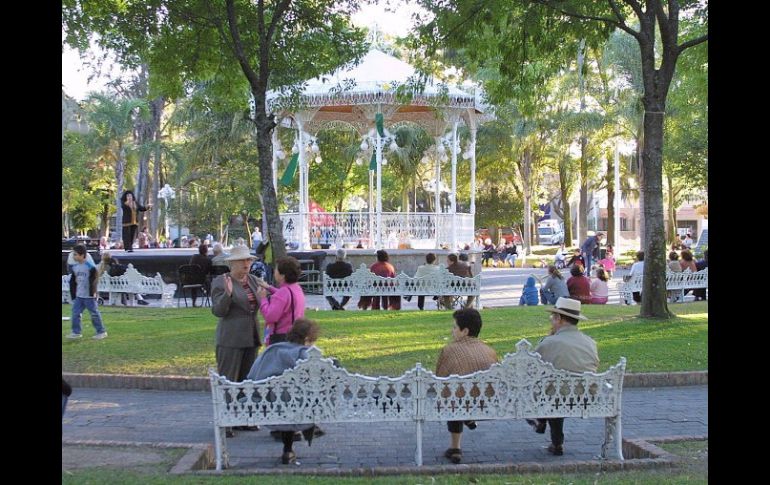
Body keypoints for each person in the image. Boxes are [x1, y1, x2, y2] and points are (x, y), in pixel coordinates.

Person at [527, 297, 598, 456]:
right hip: (586, 396)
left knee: (552, 390)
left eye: (553, 316)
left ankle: (541, 421)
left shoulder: (549, 343)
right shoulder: (590, 342)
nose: (551, 319)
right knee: (559, 388)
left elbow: (530, 368)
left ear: (559, 318)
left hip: (557, 396)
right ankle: (555, 439)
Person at [246, 318, 321, 464]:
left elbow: (251, 376)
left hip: (264, 401)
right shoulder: (304, 354)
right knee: (294, 401)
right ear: (307, 339)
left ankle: (289, 448)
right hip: (291, 404)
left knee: (287, 400)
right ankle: (308, 429)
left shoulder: (272, 350)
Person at [210, 245, 262, 436]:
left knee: (247, 381)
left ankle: (244, 419)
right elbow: (218, 311)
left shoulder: (254, 281)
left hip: (251, 336)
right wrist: (228, 295)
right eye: (242, 260)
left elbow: (264, 301)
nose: (246, 264)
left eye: (248, 260)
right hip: (231, 338)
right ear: (231, 263)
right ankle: (226, 422)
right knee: (229, 380)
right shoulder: (221, 282)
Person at [435, 309, 499, 464]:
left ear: (465, 331)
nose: (452, 330)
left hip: (459, 403)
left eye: (455, 327)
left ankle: (455, 447)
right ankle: (468, 418)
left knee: (453, 394)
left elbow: (439, 379)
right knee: (459, 394)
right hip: (487, 403)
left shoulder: (450, 350)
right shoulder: (490, 351)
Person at [256, 256, 306, 346]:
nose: (274, 272)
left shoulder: (283, 293)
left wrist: (262, 298)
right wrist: (269, 287)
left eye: (276, 270)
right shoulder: (296, 288)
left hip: (281, 338)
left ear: (282, 275)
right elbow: (286, 297)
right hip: (296, 335)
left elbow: (270, 316)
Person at [67, 245, 108, 339]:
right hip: (79, 296)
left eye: (76, 255)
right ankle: (76, 332)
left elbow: (94, 280)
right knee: (75, 313)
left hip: (89, 296)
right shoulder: (75, 267)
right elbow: (73, 282)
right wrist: (73, 294)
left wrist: (93, 292)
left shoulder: (90, 267)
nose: (74, 257)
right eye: (74, 254)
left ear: (83, 255)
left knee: (94, 314)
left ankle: (101, 332)